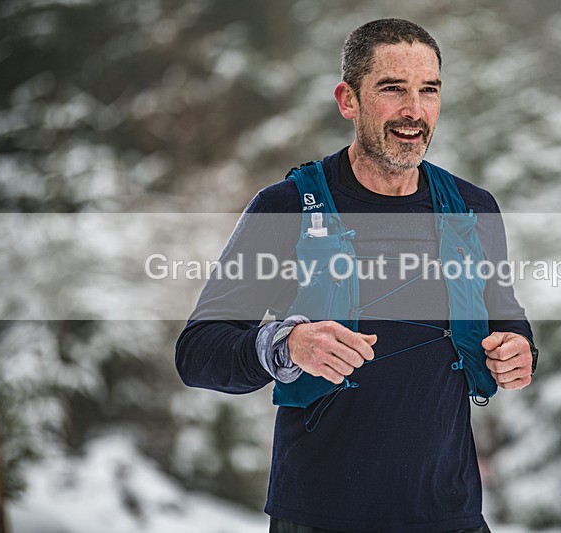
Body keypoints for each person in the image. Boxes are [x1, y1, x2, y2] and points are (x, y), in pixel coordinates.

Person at [176, 18, 537, 533]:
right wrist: (288, 345)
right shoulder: (287, 208)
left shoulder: (473, 210)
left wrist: (518, 350)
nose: (414, 110)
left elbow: (506, 317)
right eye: (393, 89)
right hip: (321, 515)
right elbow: (197, 353)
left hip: (448, 515)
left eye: (428, 90)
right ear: (348, 100)